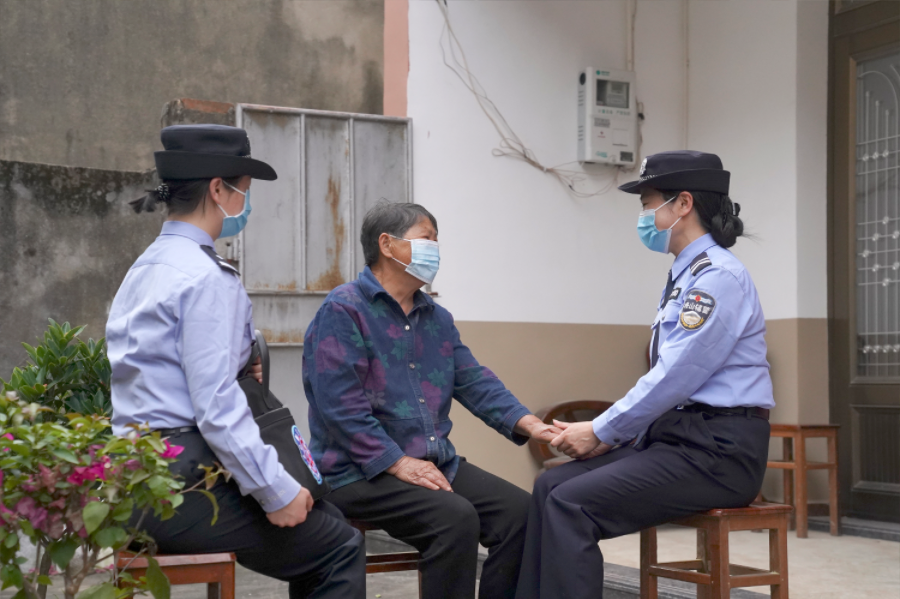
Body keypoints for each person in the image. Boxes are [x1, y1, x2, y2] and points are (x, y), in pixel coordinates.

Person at [107, 124, 365, 599]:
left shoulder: (145, 266)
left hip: (135, 475)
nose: (246, 204)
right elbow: (216, 406)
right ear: (217, 189)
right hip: (182, 481)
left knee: (324, 521)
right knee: (339, 546)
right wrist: (275, 490)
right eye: (243, 191)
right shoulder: (206, 277)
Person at [515, 151, 774, 599]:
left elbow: (676, 376)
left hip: (719, 453)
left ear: (683, 204)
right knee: (550, 485)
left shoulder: (717, 277)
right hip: (680, 439)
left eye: (648, 204)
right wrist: (611, 434)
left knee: (571, 503)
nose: (644, 216)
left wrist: (600, 429)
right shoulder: (686, 274)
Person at [302, 201, 561, 599]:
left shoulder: (436, 317)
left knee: (522, 516)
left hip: (432, 463)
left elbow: (473, 379)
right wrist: (397, 462)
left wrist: (530, 424)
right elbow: (339, 407)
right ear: (387, 245)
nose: (435, 250)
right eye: (427, 239)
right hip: (356, 471)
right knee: (454, 517)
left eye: (437, 241)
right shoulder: (344, 309)